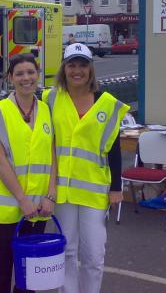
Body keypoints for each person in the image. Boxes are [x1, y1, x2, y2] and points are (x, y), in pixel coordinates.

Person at [42, 43, 129, 293]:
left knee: (93, 255)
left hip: (94, 190)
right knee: (66, 250)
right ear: (64, 68)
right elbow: (24, 114)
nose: (77, 70)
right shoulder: (50, 98)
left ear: (91, 69)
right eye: (72, 65)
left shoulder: (106, 103)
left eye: (82, 65)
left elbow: (113, 147)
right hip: (62, 191)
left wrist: (116, 188)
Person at [0, 53, 57, 293]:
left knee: (30, 269)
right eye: (20, 73)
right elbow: (0, 161)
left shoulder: (46, 109)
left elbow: (53, 156)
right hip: (6, 206)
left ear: (38, 75)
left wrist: (50, 196)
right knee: (2, 264)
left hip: (39, 204)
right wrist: (22, 200)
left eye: (31, 72)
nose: (26, 78)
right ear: (10, 78)